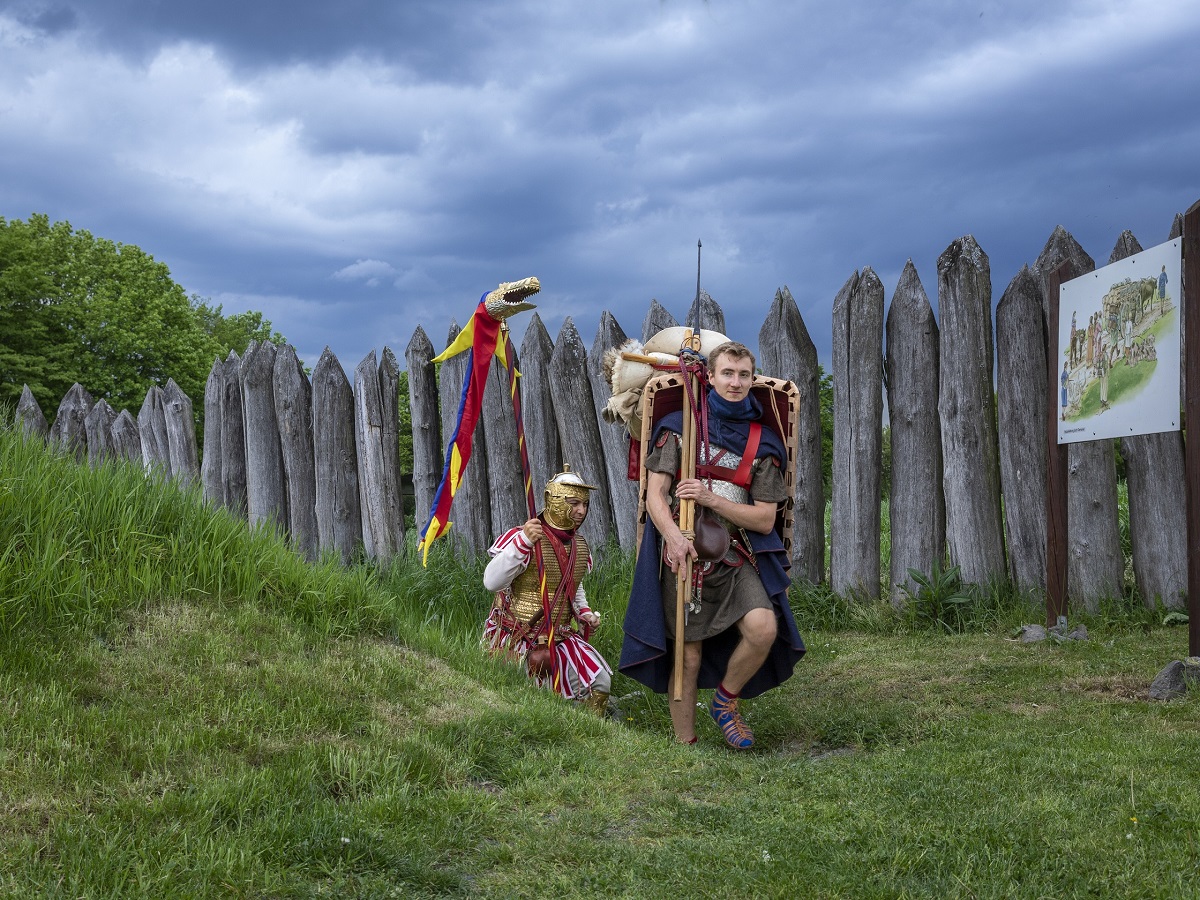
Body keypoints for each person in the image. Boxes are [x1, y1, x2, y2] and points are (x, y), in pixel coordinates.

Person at [619, 341, 805, 748]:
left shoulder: (765, 443)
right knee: (688, 654)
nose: (735, 382)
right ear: (711, 377)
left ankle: (725, 701)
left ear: (752, 379)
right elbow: (655, 495)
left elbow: (764, 518)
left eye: (743, 375)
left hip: (736, 556)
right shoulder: (677, 425)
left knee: (763, 628)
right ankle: (685, 744)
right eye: (727, 373)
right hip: (683, 552)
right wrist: (672, 537)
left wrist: (711, 499)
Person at [482, 466, 612, 714]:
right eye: (574, 503)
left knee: (601, 683)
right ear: (553, 500)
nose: (581, 511)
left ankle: (591, 733)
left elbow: (573, 583)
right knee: (530, 701)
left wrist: (583, 612)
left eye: (584, 504)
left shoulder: (579, 545)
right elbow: (492, 582)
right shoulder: (523, 537)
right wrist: (524, 542)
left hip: (561, 637)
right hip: (519, 638)